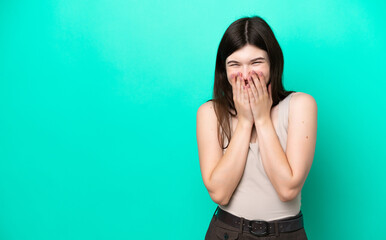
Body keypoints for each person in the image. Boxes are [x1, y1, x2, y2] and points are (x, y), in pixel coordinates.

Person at [196, 15, 317, 240]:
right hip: (227, 233)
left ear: (273, 63)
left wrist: (262, 119)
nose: (245, 74)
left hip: (286, 234)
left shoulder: (301, 105)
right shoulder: (210, 113)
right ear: (224, 69)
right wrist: (244, 121)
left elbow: (287, 189)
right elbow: (220, 193)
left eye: (256, 62)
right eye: (235, 64)